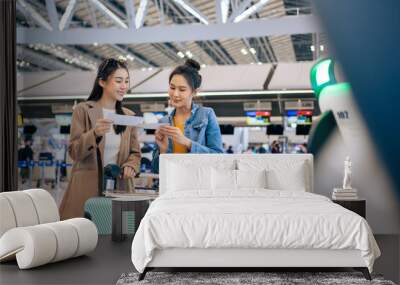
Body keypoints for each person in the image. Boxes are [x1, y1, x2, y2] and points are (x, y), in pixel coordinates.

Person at [59, 58, 141, 219]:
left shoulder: (128, 116)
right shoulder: (83, 110)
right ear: (102, 82)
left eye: (126, 81)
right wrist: (94, 134)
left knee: (118, 236)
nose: (124, 86)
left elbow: (135, 153)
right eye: (118, 81)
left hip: (120, 188)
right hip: (86, 190)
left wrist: (131, 165)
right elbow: (74, 152)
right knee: (86, 238)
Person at [152, 59, 223, 173]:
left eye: (182, 89)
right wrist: (163, 150)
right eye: (172, 87)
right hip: (171, 185)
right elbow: (156, 169)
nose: (175, 94)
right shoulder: (163, 122)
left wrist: (187, 142)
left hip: (199, 185)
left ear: (194, 92)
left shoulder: (206, 114)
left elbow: (219, 157)